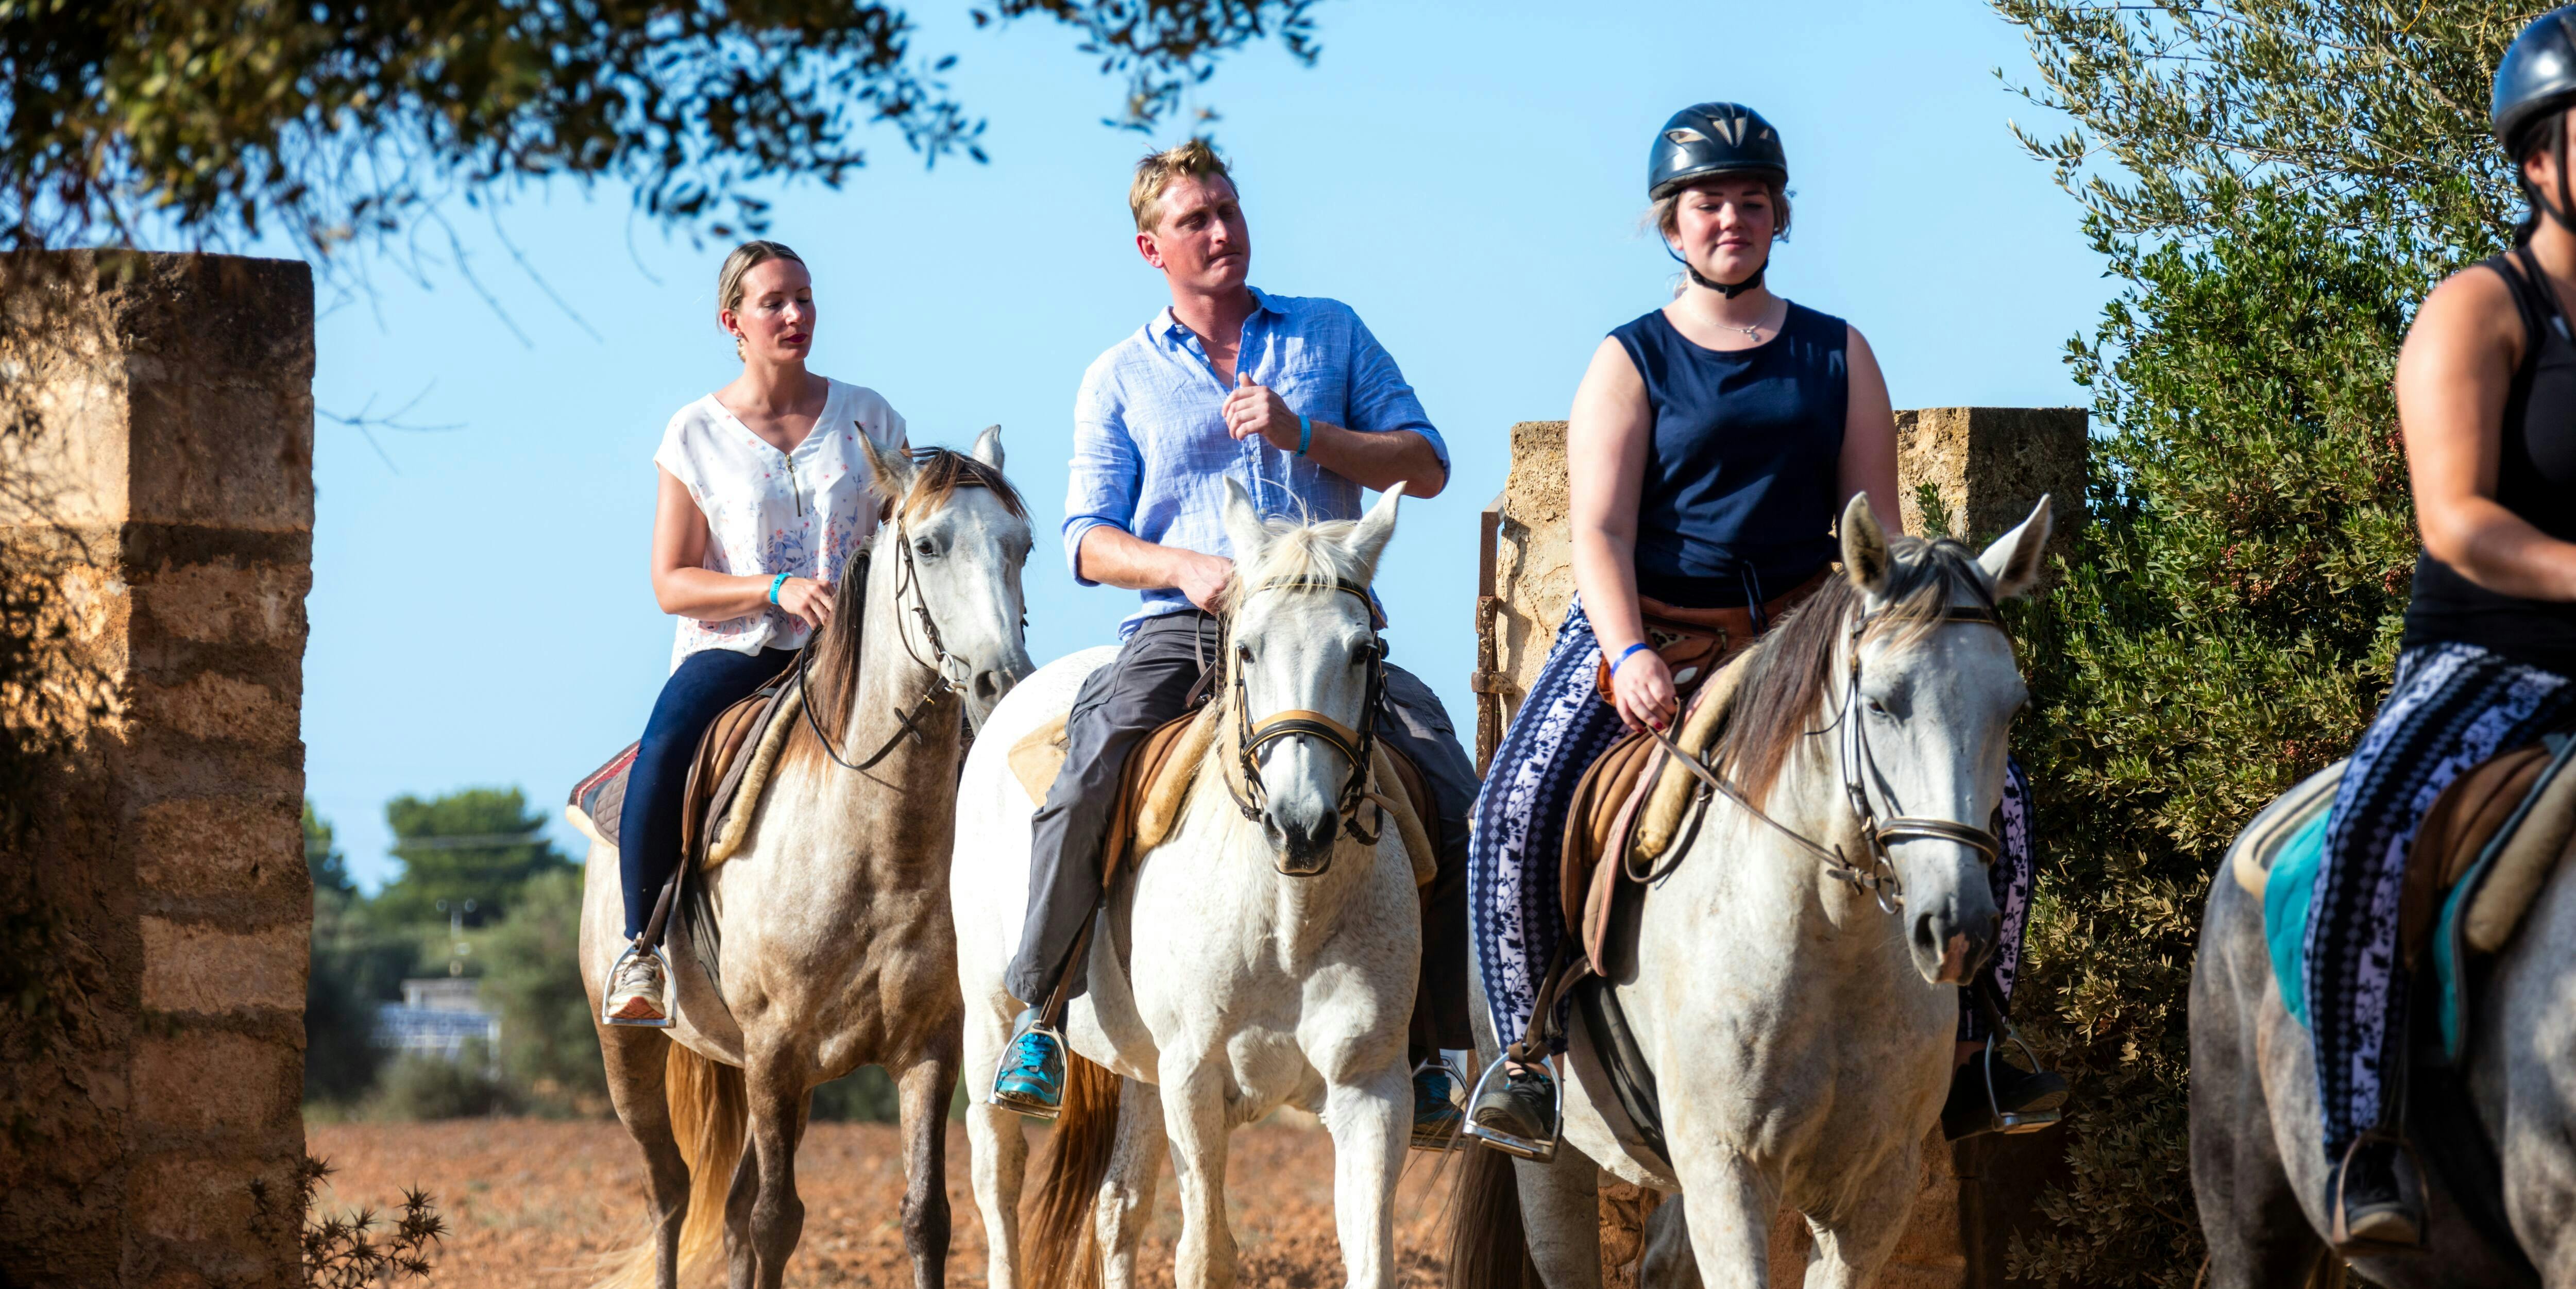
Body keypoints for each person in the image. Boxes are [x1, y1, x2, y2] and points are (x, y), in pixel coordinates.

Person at [1464, 103, 2062, 1149]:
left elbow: (1869, 535)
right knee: (1512, 806)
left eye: (1750, 200)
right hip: (1650, 627)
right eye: (1707, 204)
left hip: (1804, 635)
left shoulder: (1838, 354)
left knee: (1999, 804)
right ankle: (1527, 1058)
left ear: (1780, 215)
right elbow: (1597, 531)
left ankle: (1980, 1042)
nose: (1729, 219)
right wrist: (1627, 653)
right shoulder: (1630, 358)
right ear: (1670, 225)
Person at [987, 138, 1480, 1138]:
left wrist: (1309, 435)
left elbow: (1425, 464)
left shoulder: (1330, 334)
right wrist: (1184, 568)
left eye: (1228, 208)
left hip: (1324, 626)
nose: (1221, 231)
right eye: (1194, 220)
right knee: (1087, 776)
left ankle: (1432, 1049)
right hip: (1186, 627)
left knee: (1452, 785)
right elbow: (1085, 542)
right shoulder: (1117, 375)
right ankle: (1036, 1015)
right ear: (1149, 247)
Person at [2302, 7, 2576, 1250]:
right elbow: (2458, 518)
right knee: (2373, 819)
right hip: (2493, 655)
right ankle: (2360, 1134)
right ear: (2536, 159)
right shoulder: (2484, 303)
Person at [600, 240, 908, 1025]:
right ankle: (641, 949)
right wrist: (773, 587)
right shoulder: (694, 434)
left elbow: (906, 541)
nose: (796, 314)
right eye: (774, 302)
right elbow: (671, 581)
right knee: (668, 741)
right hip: (735, 653)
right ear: (731, 321)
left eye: (805, 297)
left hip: (851, 658)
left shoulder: (871, 418)